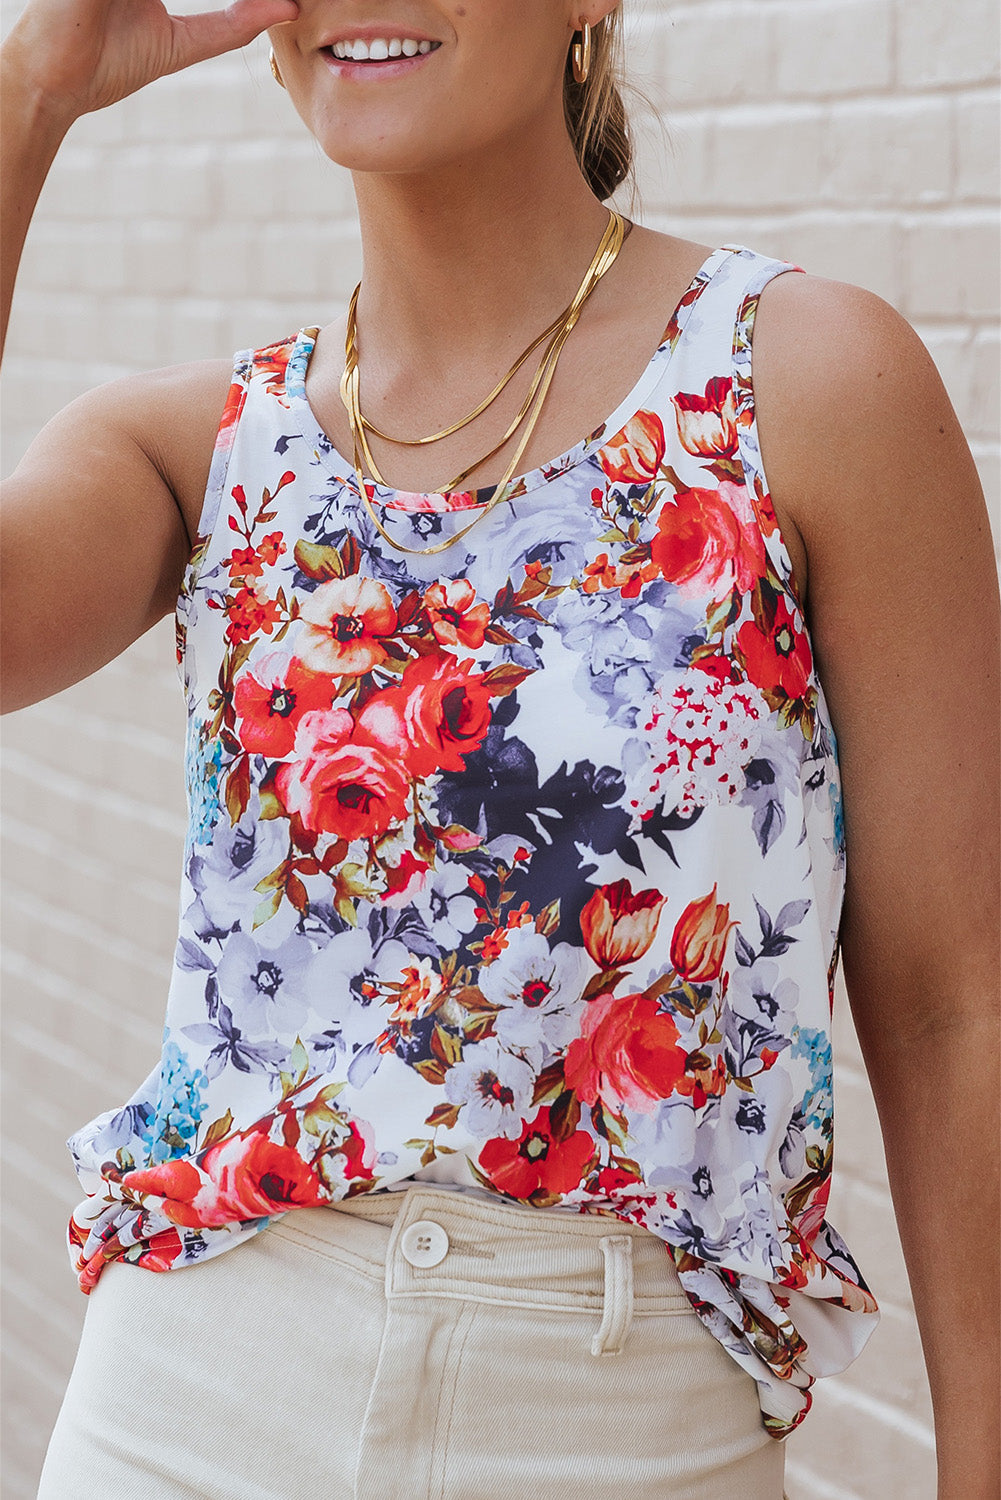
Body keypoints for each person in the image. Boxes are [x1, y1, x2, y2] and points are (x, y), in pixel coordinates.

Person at [2, 0, 998, 1495]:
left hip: (625, 1427)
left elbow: (950, 1009)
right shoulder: (201, 451)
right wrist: (26, 89)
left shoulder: (800, 382)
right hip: (189, 1411)